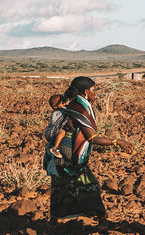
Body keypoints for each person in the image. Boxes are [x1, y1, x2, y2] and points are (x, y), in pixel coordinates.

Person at [49, 76, 135, 222]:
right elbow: (91, 138)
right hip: (69, 155)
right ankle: (102, 220)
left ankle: (54, 222)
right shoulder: (80, 110)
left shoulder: (74, 105)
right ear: (86, 92)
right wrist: (117, 142)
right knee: (88, 185)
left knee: (62, 187)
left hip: (63, 153)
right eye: (94, 89)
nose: (96, 93)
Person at [47, 94, 67, 159]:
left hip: (51, 131)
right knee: (62, 132)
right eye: (62, 103)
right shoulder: (57, 112)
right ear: (55, 106)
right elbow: (55, 123)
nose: (64, 104)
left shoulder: (59, 110)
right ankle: (55, 148)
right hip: (52, 132)